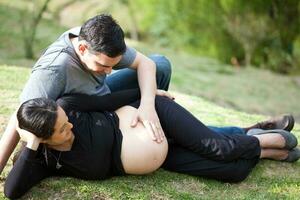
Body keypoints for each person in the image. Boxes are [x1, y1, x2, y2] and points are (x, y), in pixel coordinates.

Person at [4, 89, 299, 199]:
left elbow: (110, 99)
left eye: (66, 119)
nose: (70, 125)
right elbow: (11, 191)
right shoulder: (44, 160)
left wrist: (149, 96)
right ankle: (259, 146)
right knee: (232, 173)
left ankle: (271, 141)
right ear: (43, 139)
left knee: (219, 148)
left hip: (157, 117)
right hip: (161, 154)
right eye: (62, 129)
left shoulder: (69, 105)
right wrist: (30, 144)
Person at [0, 14, 172, 175]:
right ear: (82, 49)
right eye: (103, 66)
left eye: (113, 65)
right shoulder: (53, 69)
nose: (110, 71)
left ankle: (152, 124)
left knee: (160, 65)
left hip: (103, 96)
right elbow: (21, 114)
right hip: (83, 114)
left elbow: (146, 63)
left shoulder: (97, 37)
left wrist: (147, 104)